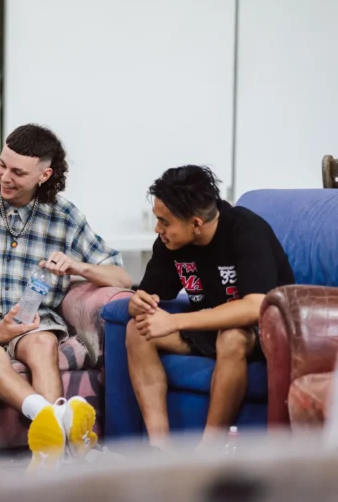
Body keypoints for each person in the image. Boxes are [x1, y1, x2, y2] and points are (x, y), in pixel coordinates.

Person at [0, 124, 132, 468]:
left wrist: (77, 266)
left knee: (43, 344)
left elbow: (121, 276)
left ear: (44, 175)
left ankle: (49, 452)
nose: (5, 177)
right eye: (2, 165)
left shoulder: (64, 216)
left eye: (18, 172)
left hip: (32, 321)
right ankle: (56, 422)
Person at [126, 165, 294, 451]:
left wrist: (176, 322)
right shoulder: (171, 242)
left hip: (267, 333)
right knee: (137, 330)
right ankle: (159, 450)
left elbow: (257, 307)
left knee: (232, 336)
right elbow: (147, 295)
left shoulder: (245, 230)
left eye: (164, 222)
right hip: (209, 327)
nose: (158, 229)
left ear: (196, 223)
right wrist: (137, 303)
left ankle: (208, 450)